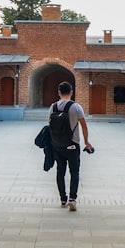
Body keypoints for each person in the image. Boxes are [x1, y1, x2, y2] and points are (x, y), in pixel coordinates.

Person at [49, 81, 94, 211]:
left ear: (58, 92)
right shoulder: (76, 107)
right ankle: (72, 199)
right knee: (74, 172)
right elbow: (84, 126)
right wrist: (86, 142)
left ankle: (63, 198)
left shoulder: (53, 107)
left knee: (60, 171)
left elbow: (50, 124)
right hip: (73, 145)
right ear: (71, 92)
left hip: (57, 145)